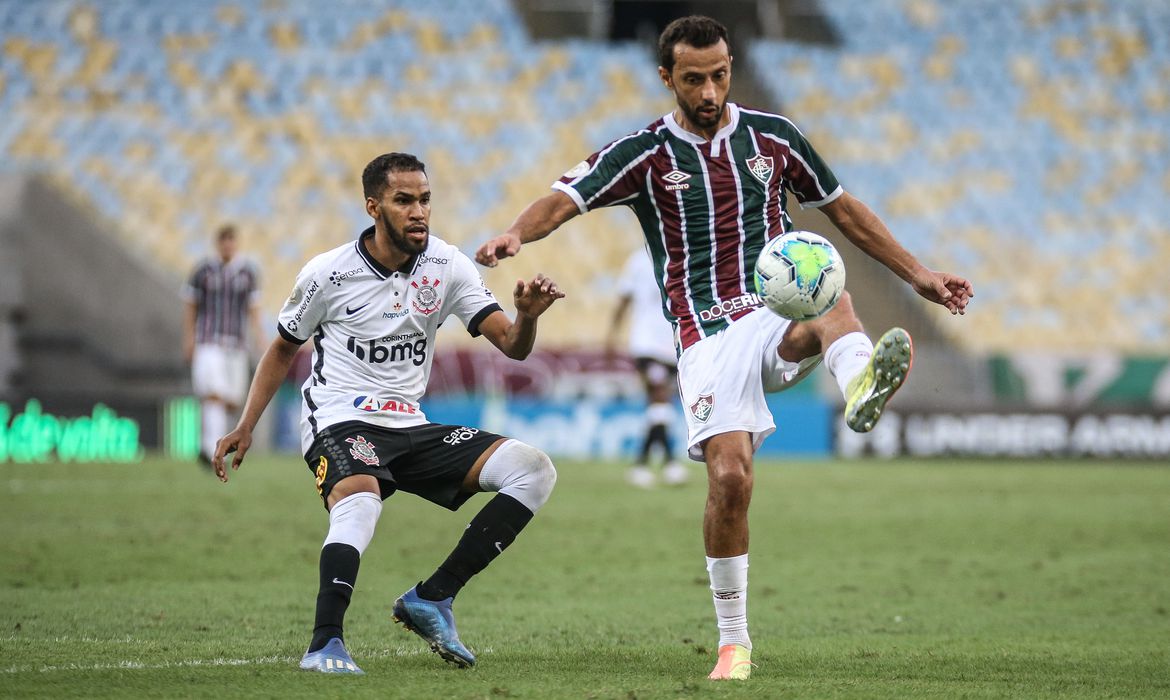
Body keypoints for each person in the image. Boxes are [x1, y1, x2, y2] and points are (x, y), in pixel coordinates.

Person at [476, 16, 973, 681]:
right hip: (704, 336)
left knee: (827, 284)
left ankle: (858, 380)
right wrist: (514, 235)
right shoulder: (645, 152)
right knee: (730, 479)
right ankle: (734, 643)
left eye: (719, 75)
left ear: (731, 67)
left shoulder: (775, 137)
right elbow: (565, 199)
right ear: (666, 78)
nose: (709, 92)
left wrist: (920, 275)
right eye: (693, 79)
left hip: (775, 310)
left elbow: (843, 209)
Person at [213, 152, 564, 674]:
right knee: (360, 499)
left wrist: (527, 317)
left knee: (533, 470)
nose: (419, 211)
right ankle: (324, 643)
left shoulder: (446, 265)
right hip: (339, 416)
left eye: (424, 199)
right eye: (404, 201)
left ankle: (433, 597)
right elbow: (283, 347)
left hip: (408, 422)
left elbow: (512, 346)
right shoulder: (328, 273)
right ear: (374, 207)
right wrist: (245, 425)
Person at [606, 245, 687, 488]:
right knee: (660, 397)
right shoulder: (638, 261)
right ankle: (668, 463)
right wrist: (612, 335)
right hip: (646, 344)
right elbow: (623, 299)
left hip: (673, 346)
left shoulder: (679, 258)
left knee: (660, 406)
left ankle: (644, 464)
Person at [183, 224, 262, 465]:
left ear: (236, 243)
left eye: (231, 240)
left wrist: (261, 339)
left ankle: (215, 445)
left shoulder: (248, 273)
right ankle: (210, 450)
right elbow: (191, 305)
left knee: (231, 400)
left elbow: (253, 310)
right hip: (209, 341)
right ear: (218, 243)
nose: (227, 245)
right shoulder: (203, 271)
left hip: (236, 344)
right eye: (223, 240)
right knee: (214, 393)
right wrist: (189, 338)